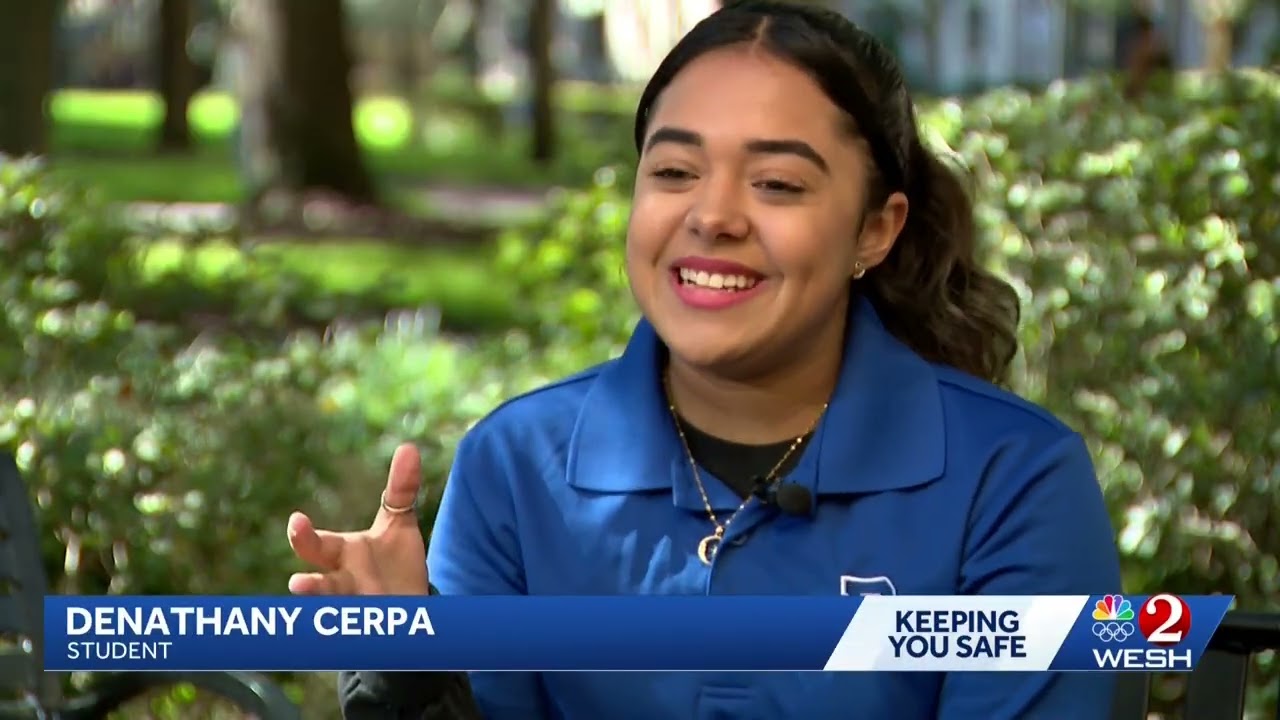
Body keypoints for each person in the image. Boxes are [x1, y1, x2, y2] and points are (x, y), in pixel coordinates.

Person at [285, 2, 1123, 718]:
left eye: (779, 185)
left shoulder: (1014, 478)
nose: (713, 215)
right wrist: (411, 664)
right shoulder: (516, 464)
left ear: (876, 228)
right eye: (677, 170)